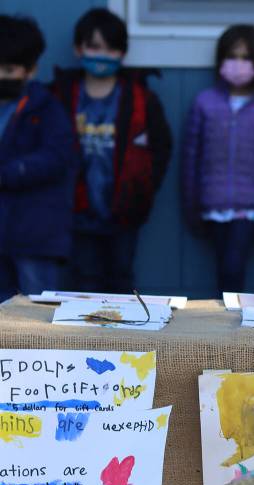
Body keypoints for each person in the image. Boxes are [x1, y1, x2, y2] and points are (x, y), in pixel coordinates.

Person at [52, 8, 171, 293]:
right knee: (84, 281)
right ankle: (88, 340)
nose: (102, 55)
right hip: (77, 212)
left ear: (122, 53)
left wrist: (142, 189)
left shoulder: (141, 98)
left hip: (124, 210)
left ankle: (122, 340)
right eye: (94, 46)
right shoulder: (61, 95)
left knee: (121, 280)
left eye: (111, 47)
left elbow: (162, 147)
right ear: (78, 48)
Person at [181, 24, 254, 293]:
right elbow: (190, 158)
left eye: (246, 57)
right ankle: (222, 326)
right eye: (232, 56)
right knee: (222, 269)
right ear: (220, 60)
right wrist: (191, 206)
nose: (238, 64)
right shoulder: (204, 102)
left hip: (250, 208)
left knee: (233, 268)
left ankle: (233, 328)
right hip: (213, 204)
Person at [0, 15, 77, 301]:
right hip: (3, 233)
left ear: (30, 69)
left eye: (9, 69)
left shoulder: (45, 108)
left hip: (36, 235)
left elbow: (57, 157)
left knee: (39, 312)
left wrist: (10, 172)